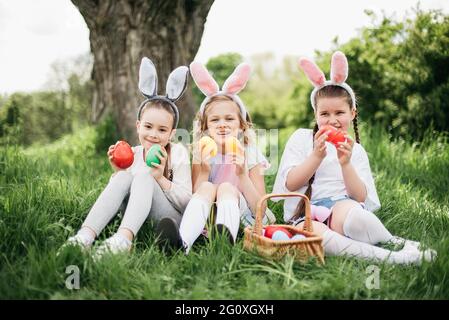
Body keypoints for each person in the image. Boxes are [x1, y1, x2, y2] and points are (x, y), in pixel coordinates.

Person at [272, 51, 436, 265]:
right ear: (316, 115)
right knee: (317, 237)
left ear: (352, 113)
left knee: (360, 218)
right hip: (305, 213)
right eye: (324, 114)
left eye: (339, 113)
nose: (332, 120)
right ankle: (393, 258)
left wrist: (345, 163)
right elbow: (291, 184)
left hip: (342, 206)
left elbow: (359, 197)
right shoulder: (302, 138)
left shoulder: (354, 149)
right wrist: (316, 156)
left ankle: (395, 242)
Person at [60, 57, 192, 257]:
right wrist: (119, 172)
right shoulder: (134, 153)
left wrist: (160, 178)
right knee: (123, 177)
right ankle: (84, 237)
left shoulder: (178, 153)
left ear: (172, 134)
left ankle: (123, 240)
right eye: (148, 127)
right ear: (138, 126)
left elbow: (186, 203)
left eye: (162, 130)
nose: (154, 135)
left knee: (145, 177)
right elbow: (120, 198)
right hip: (135, 213)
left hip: (168, 218)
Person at [161, 61, 275, 254]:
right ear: (205, 127)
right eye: (215, 120)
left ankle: (225, 241)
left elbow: (260, 208)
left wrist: (242, 176)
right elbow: (195, 195)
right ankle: (184, 244)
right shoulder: (202, 151)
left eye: (229, 119)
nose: (222, 125)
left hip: (242, 214)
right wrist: (204, 170)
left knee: (226, 187)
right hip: (208, 214)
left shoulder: (250, 152)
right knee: (207, 186)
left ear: (241, 125)